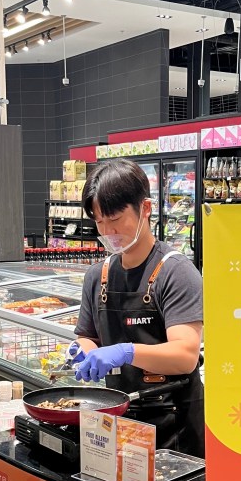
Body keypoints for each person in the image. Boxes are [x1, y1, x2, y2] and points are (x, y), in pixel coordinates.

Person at [70, 159, 204, 457]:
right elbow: (87, 336)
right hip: (116, 420)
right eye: (99, 221)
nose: (107, 230)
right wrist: (84, 352)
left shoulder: (175, 272)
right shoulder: (98, 275)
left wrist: (126, 352)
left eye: (115, 218)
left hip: (173, 427)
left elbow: (185, 356)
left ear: (145, 208)